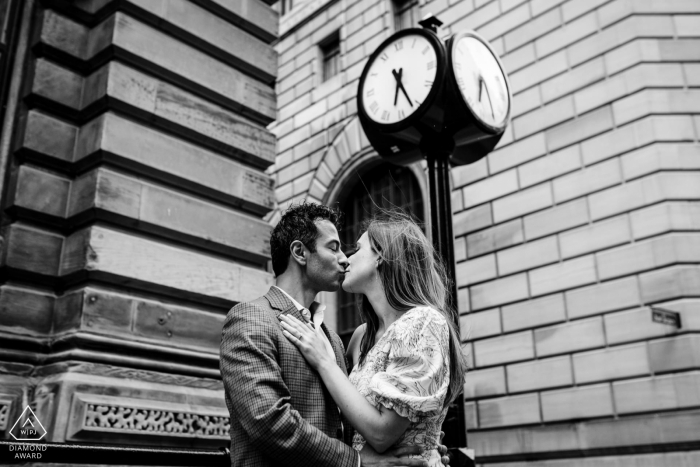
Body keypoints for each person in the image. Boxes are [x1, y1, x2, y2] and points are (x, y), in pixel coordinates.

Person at [220, 203, 450, 467]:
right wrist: (356, 462)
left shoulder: (334, 340)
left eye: (349, 249)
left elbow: (355, 422)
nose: (344, 258)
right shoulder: (251, 318)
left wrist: (419, 440)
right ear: (299, 252)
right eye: (333, 247)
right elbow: (268, 420)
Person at [279, 210, 467, 467]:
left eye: (356, 249)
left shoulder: (424, 321)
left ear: (381, 255)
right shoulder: (360, 337)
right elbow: (344, 418)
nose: (346, 260)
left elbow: (380, 434)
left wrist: (324, 361)